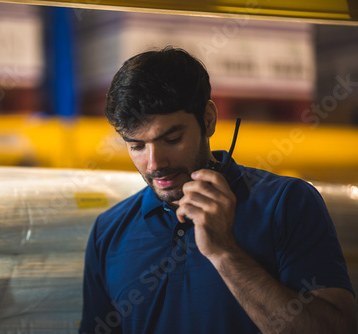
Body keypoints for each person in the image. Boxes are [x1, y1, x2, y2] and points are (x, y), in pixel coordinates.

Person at [78, 46, 356, 334]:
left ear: (208, 119)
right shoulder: (109, 232)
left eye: (172, 139)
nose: (154, 163)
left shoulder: (287, 203)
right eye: (136, 146)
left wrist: (225, 253)